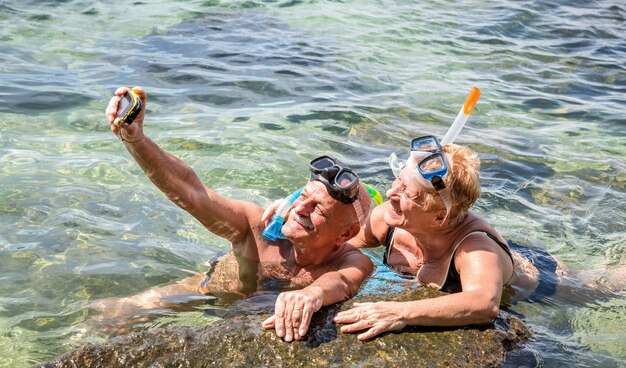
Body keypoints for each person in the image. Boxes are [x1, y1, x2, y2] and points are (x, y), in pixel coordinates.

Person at [103, 86, 373, 342]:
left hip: (245, 315)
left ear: (345, 234)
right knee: (112, 315)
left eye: (318, 209)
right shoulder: (258, 228)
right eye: (302, 198)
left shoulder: (351, 262)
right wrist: (135, 139)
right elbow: (192, 192)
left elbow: (340, 282)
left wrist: (312, 293)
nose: (300, 209)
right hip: (207, 291)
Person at [330, 135, 623, 340]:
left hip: (541, 278)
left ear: (439, 216)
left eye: (407, 192)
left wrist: (401, 312)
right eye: (399, 179)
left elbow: (484, 304)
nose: (391, 193)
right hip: (484, 262)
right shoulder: (390, 218)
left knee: (604, 286)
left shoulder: (474, 248)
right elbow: (337, 247)